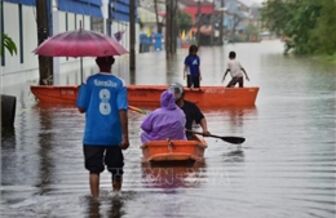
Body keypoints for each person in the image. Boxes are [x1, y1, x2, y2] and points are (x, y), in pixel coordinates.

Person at [76, 56, 129, 198]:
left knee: (94, 170)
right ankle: (117, 198)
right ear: (112, 63)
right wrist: (125, 136)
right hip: (114, 135)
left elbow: (81, 108)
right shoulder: (119, 83)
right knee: (117, 169)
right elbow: (122, 110)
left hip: (93, 135)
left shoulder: (88, 81)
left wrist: (80, 90)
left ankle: (95, 201)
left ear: (97, 63)